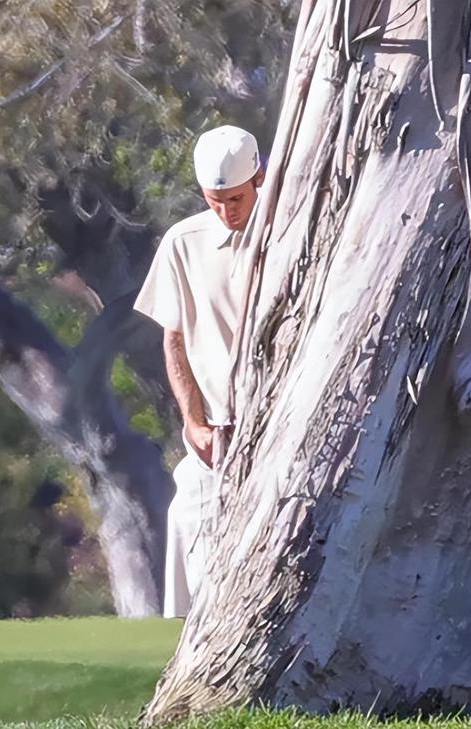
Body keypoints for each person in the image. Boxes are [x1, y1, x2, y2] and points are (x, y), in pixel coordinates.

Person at [134, 124, 264, 617]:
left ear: (258, 180)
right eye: (215, 200)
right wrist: (193, 422)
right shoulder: (183, 242)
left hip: (285, 420)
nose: (227, 212)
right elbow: (175, 338)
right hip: (217, 434)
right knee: (188, 516)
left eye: (235, 199)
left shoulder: (297, 230)